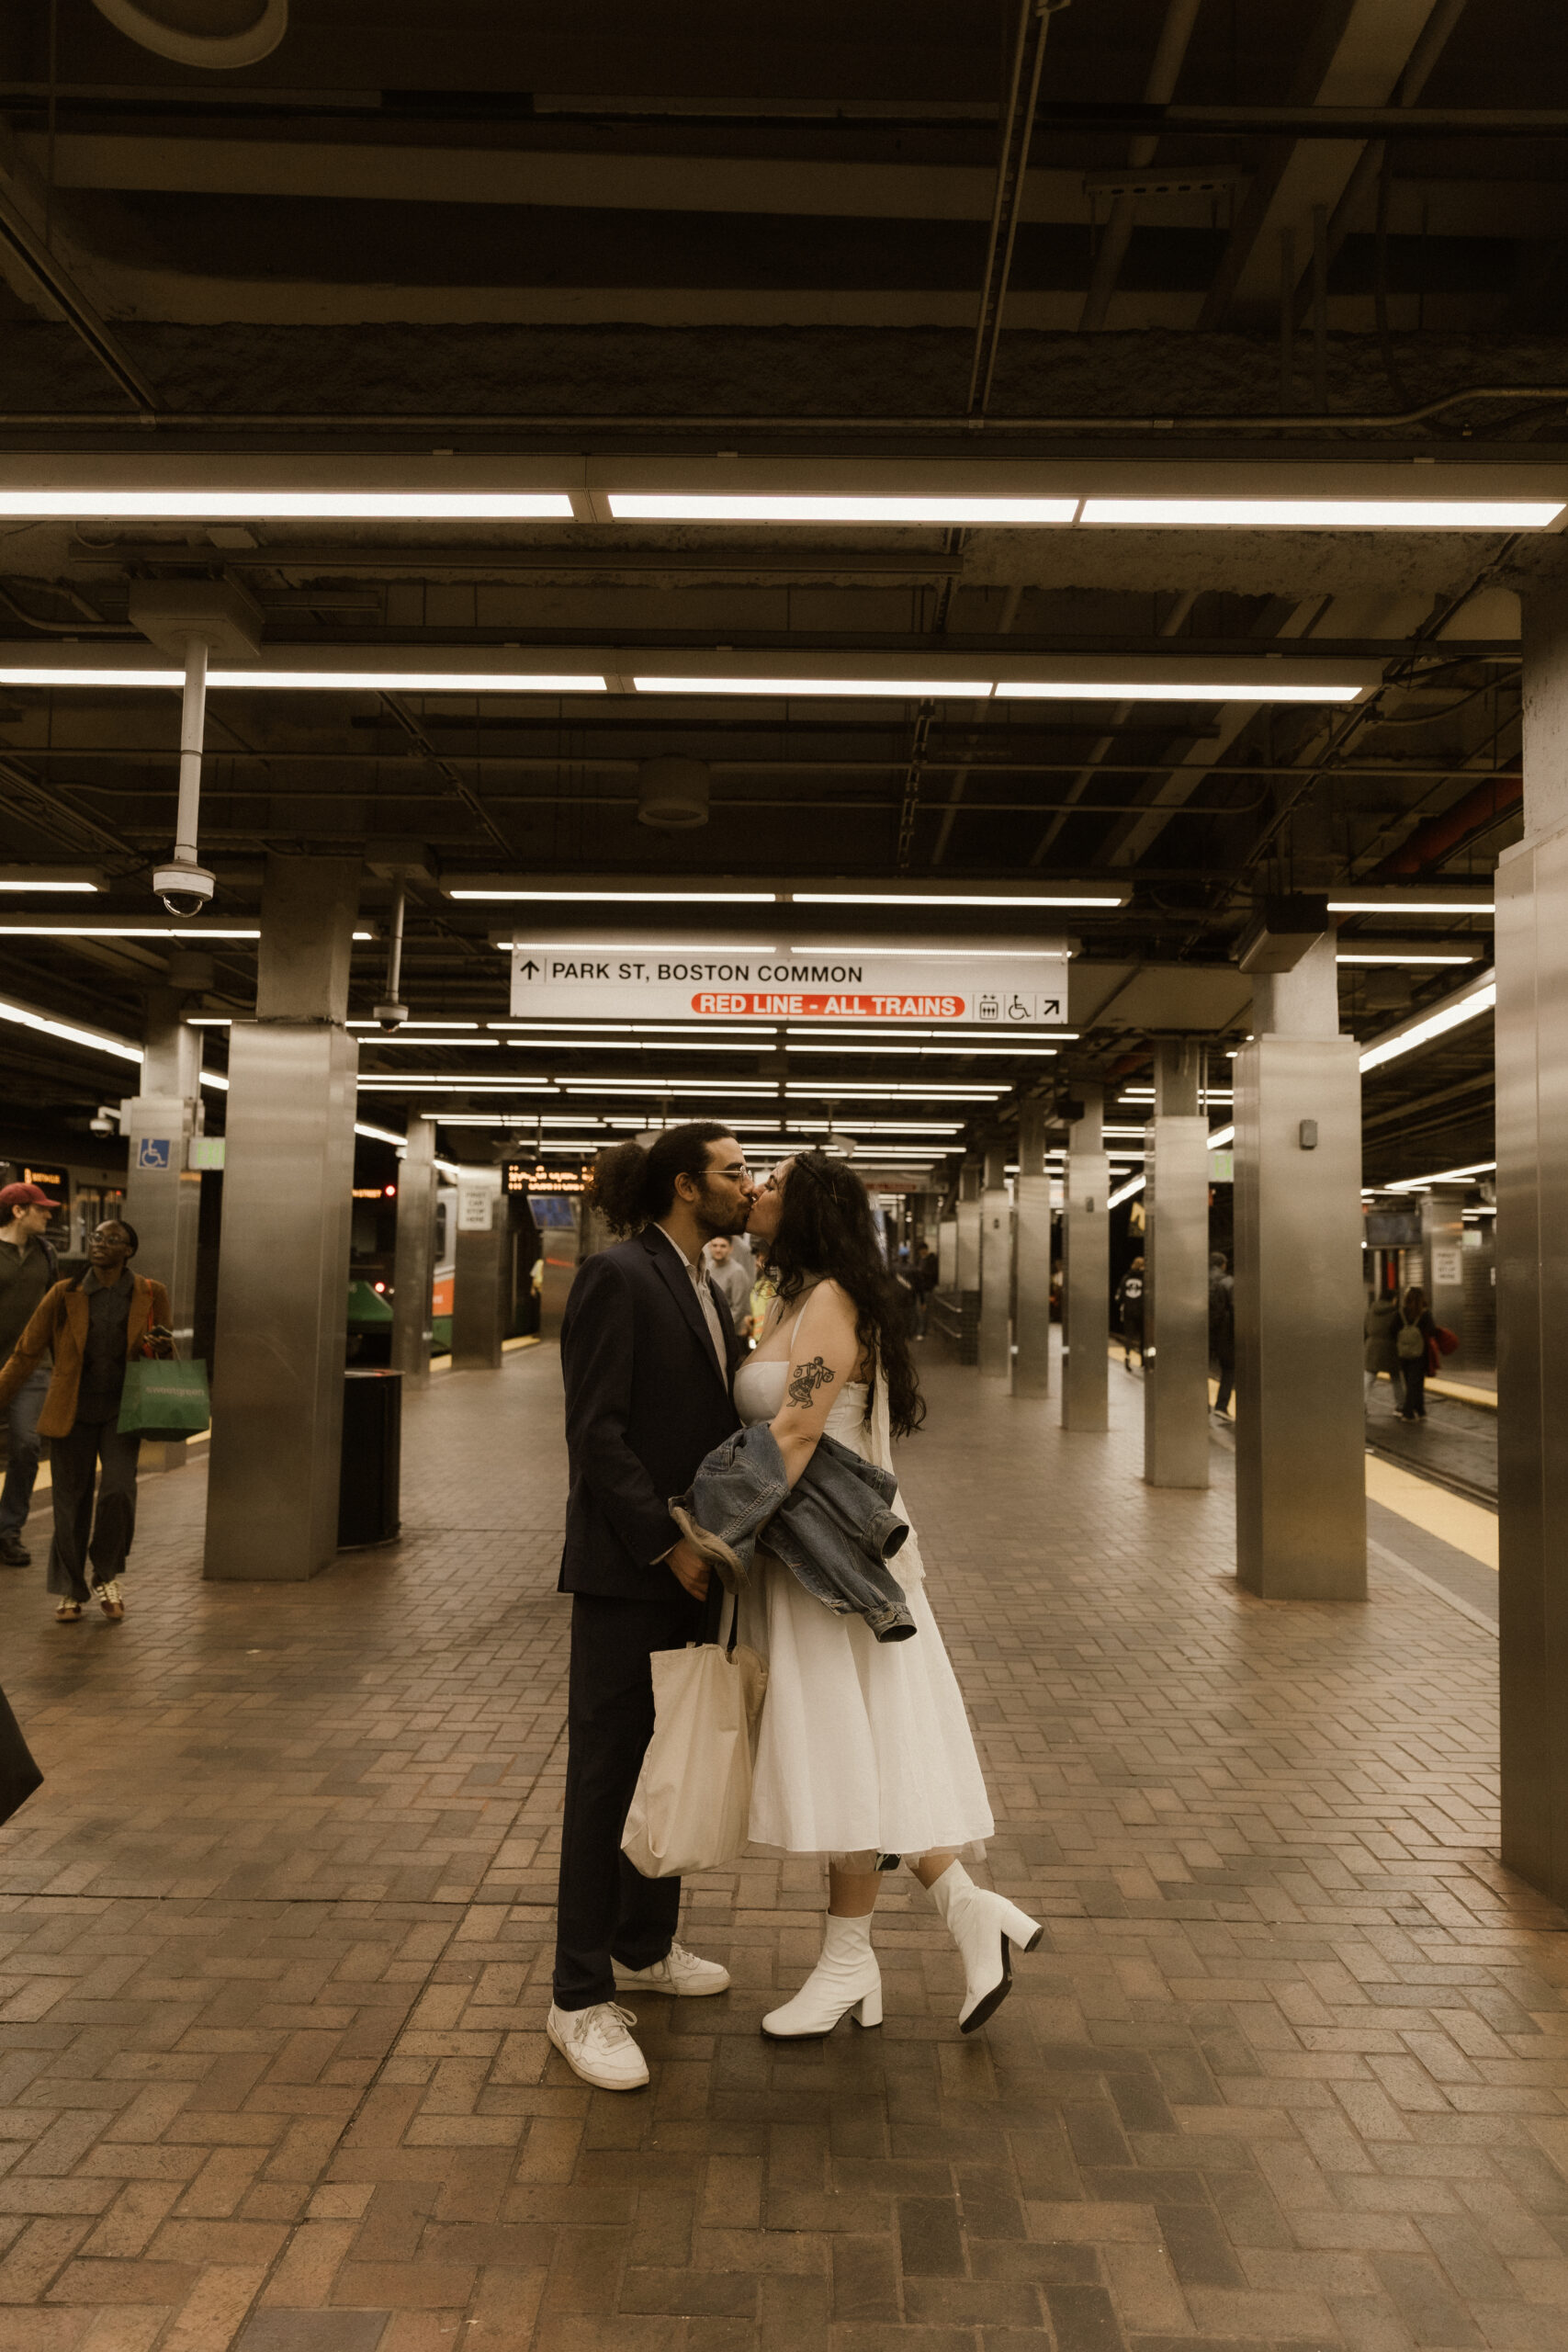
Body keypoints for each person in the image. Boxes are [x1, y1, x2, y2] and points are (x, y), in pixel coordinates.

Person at [735, 1149, 1040, 2041]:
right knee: (855, 1753)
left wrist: (711, 1526)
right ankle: (961, 1916)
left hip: (838, 1566)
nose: (758, 1190)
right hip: (808, 1557)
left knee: (845, 1752)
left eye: (774, 1183)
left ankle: (850, 1963)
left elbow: (794, 1428)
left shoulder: (830, 1300)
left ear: (808, 1209)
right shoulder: (799, 1294)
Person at [549, 1122, 755, 2092]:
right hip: (632, 1568)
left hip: (687, 1569)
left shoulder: (702, 1280)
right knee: (604, 1777)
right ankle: (578, 1997)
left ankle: (646, 1943)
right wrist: (666, 1538)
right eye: (734, 1170)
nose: (747, 1183)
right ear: (686, 1184)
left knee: (663, 1760)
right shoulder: (618, 1276)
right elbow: (597, 1432)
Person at [0, 1218, 170, 1623]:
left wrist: (160, 1348)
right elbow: (26, 1352)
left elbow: (165, 1358)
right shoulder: (65, 1293)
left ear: (128, 1250)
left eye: (113, 1240)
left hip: (122, 1412)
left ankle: (107, 1573)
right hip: (71, 1412)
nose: (101, 1244)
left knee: (117, 1492)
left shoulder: (149, 1293)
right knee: (70, 1502)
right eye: (97, 1237)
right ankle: (70, 1590)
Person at [0, 1182, 59, 1567]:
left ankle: (8, 1532)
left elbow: (56, 1308)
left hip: (32, 1367)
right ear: (18, 1211)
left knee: (26, 1446)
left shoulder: (46, 1252)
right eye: (41, 1208)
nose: (49, 1214)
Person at [1395, 1283, 1437, 1420]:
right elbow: (1432, 1331)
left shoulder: (1401, 1312)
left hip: (1403, 1353)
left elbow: (1392, 1330)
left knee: (1410, 1382)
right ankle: (1408, 1413)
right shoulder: (1425, 1314)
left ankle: (1420, 1410)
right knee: (1416, 1383)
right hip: (1420, 1354)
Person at [703, 1233, 753, 1336]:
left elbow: (738, 1309)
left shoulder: (737, 1272)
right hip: (709, 1327)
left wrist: (719, 1329)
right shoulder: (707, 1268)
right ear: (709, 1247)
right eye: (715, 1245)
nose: (718, 1250)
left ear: (730, 1249)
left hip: (729, 1331)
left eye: (723, 1246)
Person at [1364, 1288, 1404, 1411]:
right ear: (1393, 1299)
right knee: (1396, 1378)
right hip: (1390, 1347)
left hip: (1372, 1346)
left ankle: (1362, 1406)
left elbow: (1364, 1329)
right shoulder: (1395, 1313)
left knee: (1369, 1378)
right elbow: (1399, 1331)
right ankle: (1401, 1406)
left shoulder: (1371, 1311)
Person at [1209, 1251, 1235, 1418]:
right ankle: (1221, 1406)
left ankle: (1202, 1405)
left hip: (1202, 1331)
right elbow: (1234, 1308)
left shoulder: (1199, 1280)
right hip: (1223, 1333)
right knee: (1229, 1367)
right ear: (1223, 1264)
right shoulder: (1228, 1282)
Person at [1115, 1256, 1146, 1369]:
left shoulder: (1126, 1278)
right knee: (1143, 1336)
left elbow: (1118, 1298)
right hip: (1142, 1311)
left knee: (1129, 1336)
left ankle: (1127, 1357)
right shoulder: (1145, 1279)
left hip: (1128, 1311)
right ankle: (1143, 1361)